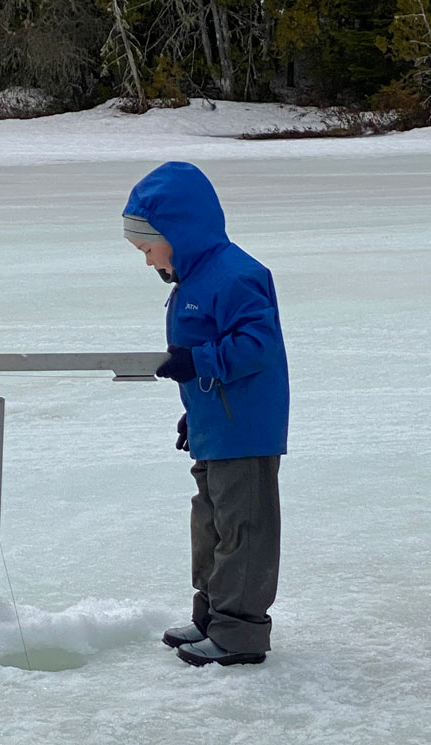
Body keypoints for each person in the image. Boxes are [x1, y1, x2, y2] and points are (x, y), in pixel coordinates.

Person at [123, 161, 289, 667]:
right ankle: (211, 615)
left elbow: (257, 345)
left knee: (244, 527)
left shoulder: (235, 274)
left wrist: (199, 363)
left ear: (179, 232)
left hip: (246, 431)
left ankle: (239, 634)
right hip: (217, 426)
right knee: (210, 523)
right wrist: (193, 413)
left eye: (148, 247)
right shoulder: (192, 281)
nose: (147, 260)